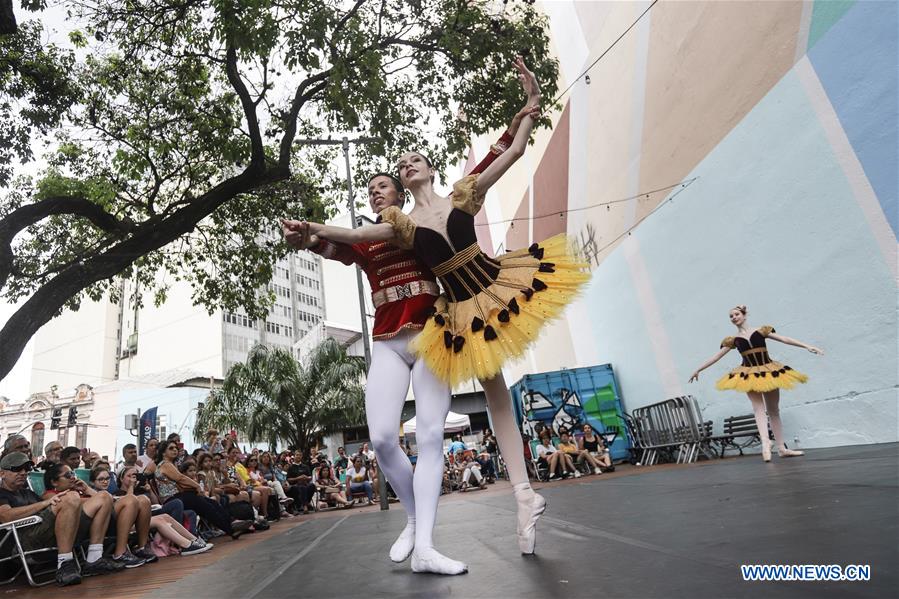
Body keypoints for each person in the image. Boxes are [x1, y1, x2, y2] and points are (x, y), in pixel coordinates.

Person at [296, 57, 587, 558]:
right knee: (492, 393)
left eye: (414, 160)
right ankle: (523, 498)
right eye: (400, 164)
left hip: (493, 286)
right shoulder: (402, 228)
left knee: (498, 395)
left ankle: (522, 493)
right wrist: (313, 230)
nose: (408, 166)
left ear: (429, 168)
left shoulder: (463, 194)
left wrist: (530, 106)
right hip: (457, 309)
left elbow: (512, 151)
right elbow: (358, 234)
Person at [283, 110, 528, 576]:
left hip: (433, 336)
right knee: (379, 439)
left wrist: (523, 117)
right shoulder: (369, 241)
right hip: (388, 342)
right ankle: (414, 519)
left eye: (384, 185)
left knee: (432, 434)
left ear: (400, 192)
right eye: (372, 188)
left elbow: (494, 164)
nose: (376, 191)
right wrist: (305, 237)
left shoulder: (415, 225)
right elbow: (336, 246)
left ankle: (428, 545)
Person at [689, 305, 823, 462]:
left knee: (773, 410)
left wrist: (807, 346)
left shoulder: (761, 331)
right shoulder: (733, 340)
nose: (734, 317)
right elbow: (716, 357)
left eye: (736, 314)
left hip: (769, 371)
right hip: (749, 374)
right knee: (758, 409)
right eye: (731, 316)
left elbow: (784, 339)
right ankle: (766, 443)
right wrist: (699, 369)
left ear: (744, 315)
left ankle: (781, 448)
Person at [0, 452, 124, 585]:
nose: (23, 472)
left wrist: (86, 491)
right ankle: (65, 564)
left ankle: (94, 558)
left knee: (103, 497)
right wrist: (46, 503)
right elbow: (6, 516)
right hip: (23, 542)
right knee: (71, 497)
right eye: (17, 469)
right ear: (2, 473)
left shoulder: (27, 493)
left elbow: (51, 507)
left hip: (50, 534)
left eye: (27, 469)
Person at [154, 440, 252, 539]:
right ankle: (230, 528)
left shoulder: (170, 464)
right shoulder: (165, 464)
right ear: (163, 452)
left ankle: (231, 524)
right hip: (172, 500)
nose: (175, 450)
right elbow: (180, 478)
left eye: (176, 448)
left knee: (211, 503)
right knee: (204, 504)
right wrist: (197, 486)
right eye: (171, 448)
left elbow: (180, 481)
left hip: (179, 496)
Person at [117, 466, 210, 556]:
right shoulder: (117, 493)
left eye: (135, 476)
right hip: (131, 523)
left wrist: (150, 491)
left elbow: (155, 503)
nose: (133, 479)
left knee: (168, 516)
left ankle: (194, 540)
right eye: (129, 476)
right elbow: (130, 503)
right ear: (121, 479)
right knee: (172, 508)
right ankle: (184, 545)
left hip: (148, 515)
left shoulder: (139, 490)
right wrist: (131, 487)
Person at [89, 466, 158, 564]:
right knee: (131, 500)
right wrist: (130, 487)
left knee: (144, 500)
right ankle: (120, 553)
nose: (105, 482)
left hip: (118, 519)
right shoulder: (88, 493)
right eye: (101, 479)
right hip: (101, 524)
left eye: (107, 479)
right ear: (92, 482)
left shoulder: (111, 494)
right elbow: (130, 499)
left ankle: (142, 547)